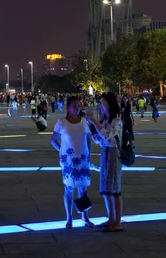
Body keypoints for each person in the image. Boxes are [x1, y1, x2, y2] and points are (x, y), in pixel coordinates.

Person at [51, 96, 94, 229]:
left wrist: (88, 155)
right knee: (68, 189)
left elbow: (89, 139)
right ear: (68, 107)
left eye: (78, 105)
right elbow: (53, 140)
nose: (77, 107)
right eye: (74, 105)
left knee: (83, 190)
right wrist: (62, 152)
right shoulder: (61, 123)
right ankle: (69, 218)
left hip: (82, 160)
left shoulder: (84, 122)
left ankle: (85, 216)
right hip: (68, 162)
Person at [86, 92, 123, 232]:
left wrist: (95, 122)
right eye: (101, 103)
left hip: (114, 155)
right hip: (105, 154)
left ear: (110, 104)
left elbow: (108, 135)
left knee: (115, 190)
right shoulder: (106, 121)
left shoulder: (117, 121)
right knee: (106, 190)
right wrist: (92, 125)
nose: (101, 106)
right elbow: (100, 139)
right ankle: (110, 218)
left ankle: (117, 222)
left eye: (103, 103)